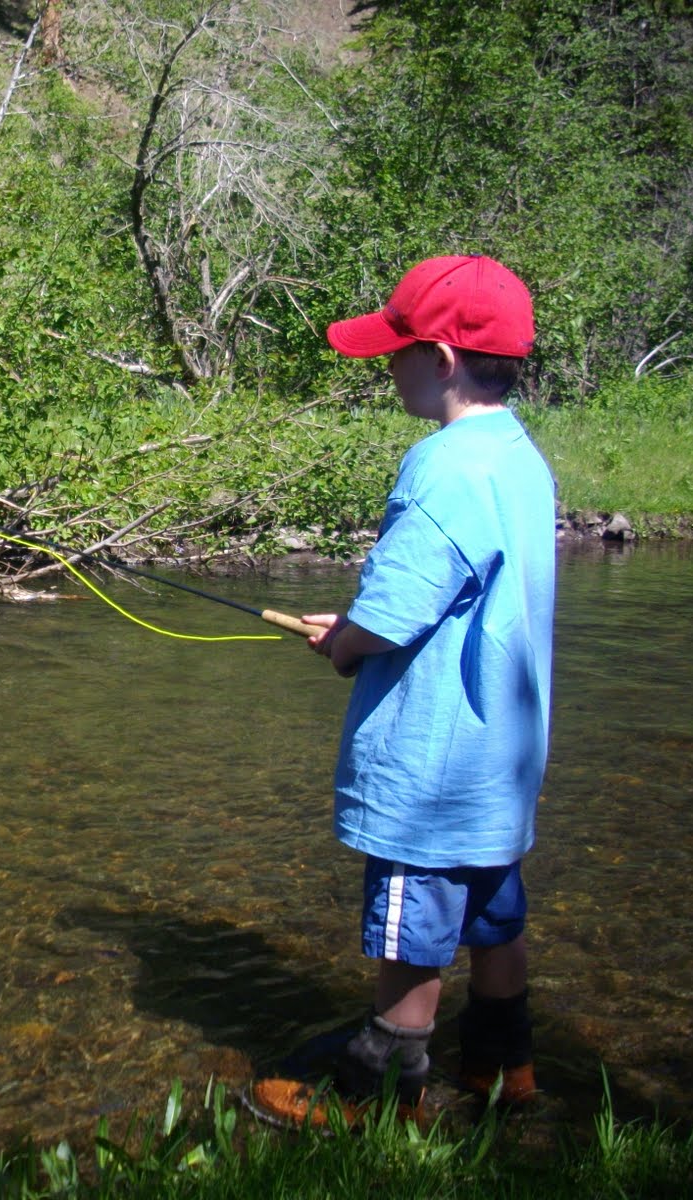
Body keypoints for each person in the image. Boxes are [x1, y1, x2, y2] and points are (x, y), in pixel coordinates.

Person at [247, 254, 556, 1127]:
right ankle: (506, 1068)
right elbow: (451, 591)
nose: (387, 364)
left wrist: (344, 643)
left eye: (398, 349)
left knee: (409, 925)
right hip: (500, 755)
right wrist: (356, 620)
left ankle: (383, 1090)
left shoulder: (443, 465)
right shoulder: (516, 455)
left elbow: (390, 618)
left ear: (445, 359)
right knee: (493, 910)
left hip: (432, 765)